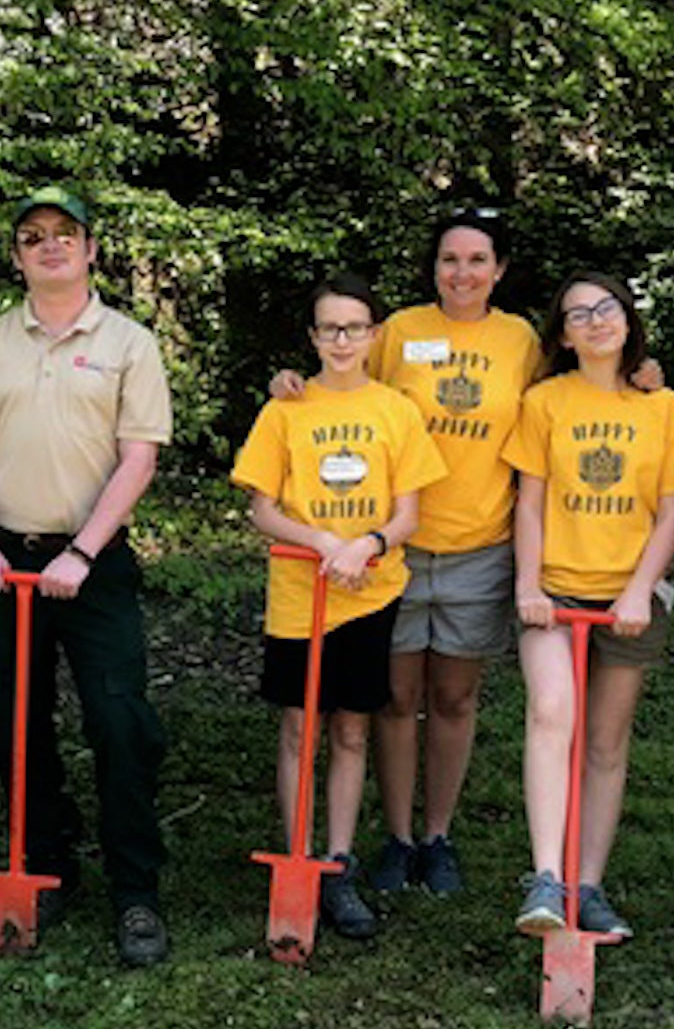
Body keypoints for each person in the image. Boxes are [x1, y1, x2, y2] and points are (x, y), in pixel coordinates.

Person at [272, 207, 537, 893]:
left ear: (499, 269)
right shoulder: (402, 332)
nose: (463, 273)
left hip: (480, 543)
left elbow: (562, 406)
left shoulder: (521, 340)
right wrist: (289, 387)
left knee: (453, 696)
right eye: (450, 259)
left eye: (478, 260)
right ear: (433, 267)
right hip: (388, 545)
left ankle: (436, 836)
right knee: (393, 697)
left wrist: (643, 373)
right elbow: (346, 390)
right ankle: (393, 837)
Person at [0, 186, 175, 966]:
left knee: (120, 722)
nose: (50, 246)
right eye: (34, 236)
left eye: (66, 235)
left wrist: (82, 552)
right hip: (3, 559)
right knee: (4, 716)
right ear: (17, 256)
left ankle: (135, 891)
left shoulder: (128, 343)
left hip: (94, 562)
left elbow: (138, 454)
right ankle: (46, 859)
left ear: (91, 250)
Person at [230, 273, 447, 939]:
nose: (343, 339)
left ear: (374, 335)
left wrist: (368, 544)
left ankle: (338, 863)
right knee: (300, 726)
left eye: (355, 327)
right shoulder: (287, 409)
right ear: (313, 336)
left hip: (365, 595)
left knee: (353, 727)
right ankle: (296, 854)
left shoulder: (396, 409)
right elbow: (262, 506)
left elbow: (409, 511)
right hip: (300, 595)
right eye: (330, 328)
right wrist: (323, 540)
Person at [502, 272, 674, 939]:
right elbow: (529, 501)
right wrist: (528, 585)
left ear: (627, 318)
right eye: (577, 314)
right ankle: (547, 879)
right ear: (561, 334)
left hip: (629, 596)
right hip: (554, 590)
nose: (594, 321)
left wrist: (640, 588)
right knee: (552, 711)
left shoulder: (664, 408)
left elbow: (671, 512)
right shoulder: (545, 402)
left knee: (607, 742)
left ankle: (589, 883)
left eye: (606, 308)